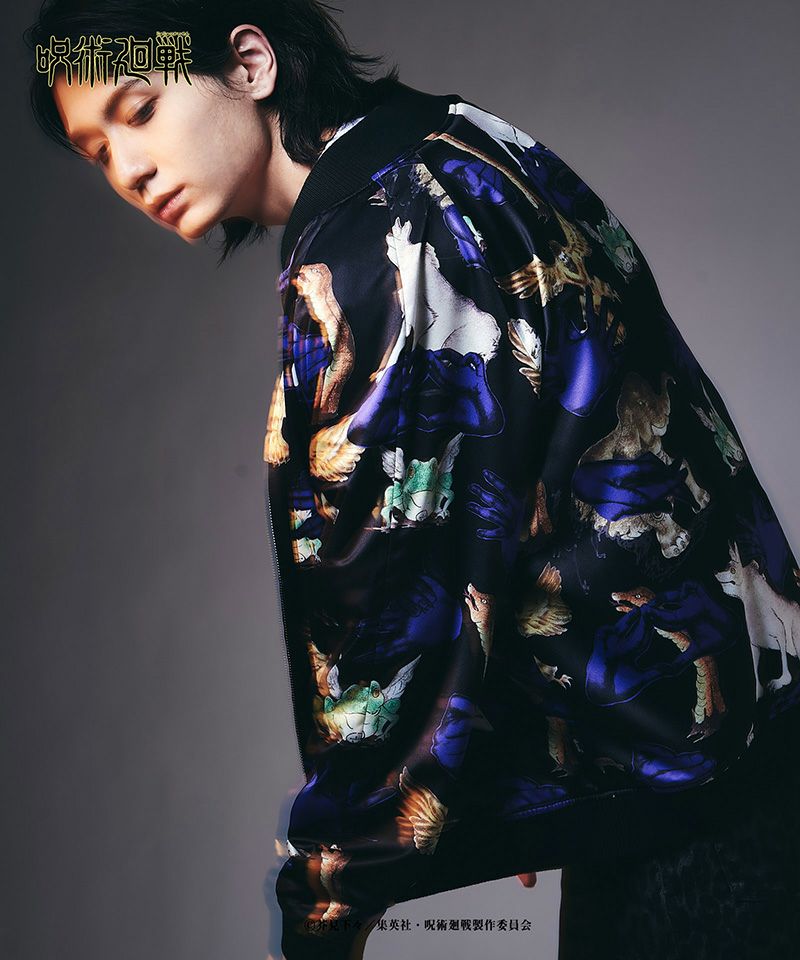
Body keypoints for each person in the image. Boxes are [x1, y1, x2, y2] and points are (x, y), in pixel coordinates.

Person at [24, 2, 800, 958]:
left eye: (139, 111)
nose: (129, 170)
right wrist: (516, 764)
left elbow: (389, 592)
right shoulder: (456, 141)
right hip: (719, 739)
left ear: (251, 63)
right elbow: (540, 468)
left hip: (687, 807)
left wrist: (330, 892)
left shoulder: (373, 247)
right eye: (98, 152)